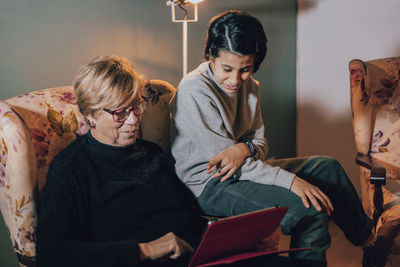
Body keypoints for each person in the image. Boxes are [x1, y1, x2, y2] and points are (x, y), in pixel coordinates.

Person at [36, 55, 295, 267]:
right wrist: (146, 250)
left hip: (201, 256)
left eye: (136, 106)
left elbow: (191, 214)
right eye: (119, 112)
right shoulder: (73, 168)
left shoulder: (151, 153)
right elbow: (52, 252)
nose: (133, 120)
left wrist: (244, 237)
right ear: (90, 115)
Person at [170, 10, 376, 267]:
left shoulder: (250, 87)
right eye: (227, 68)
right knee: (309, 209)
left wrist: (243, 149)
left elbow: (260, 145)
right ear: (211, 55)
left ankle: (370, 242)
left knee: (328, 167)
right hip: (210, 184)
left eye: (246, 69)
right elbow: (224, 164)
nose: (235, 80)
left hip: (241, 171)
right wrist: (292, 182)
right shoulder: (194, 90)